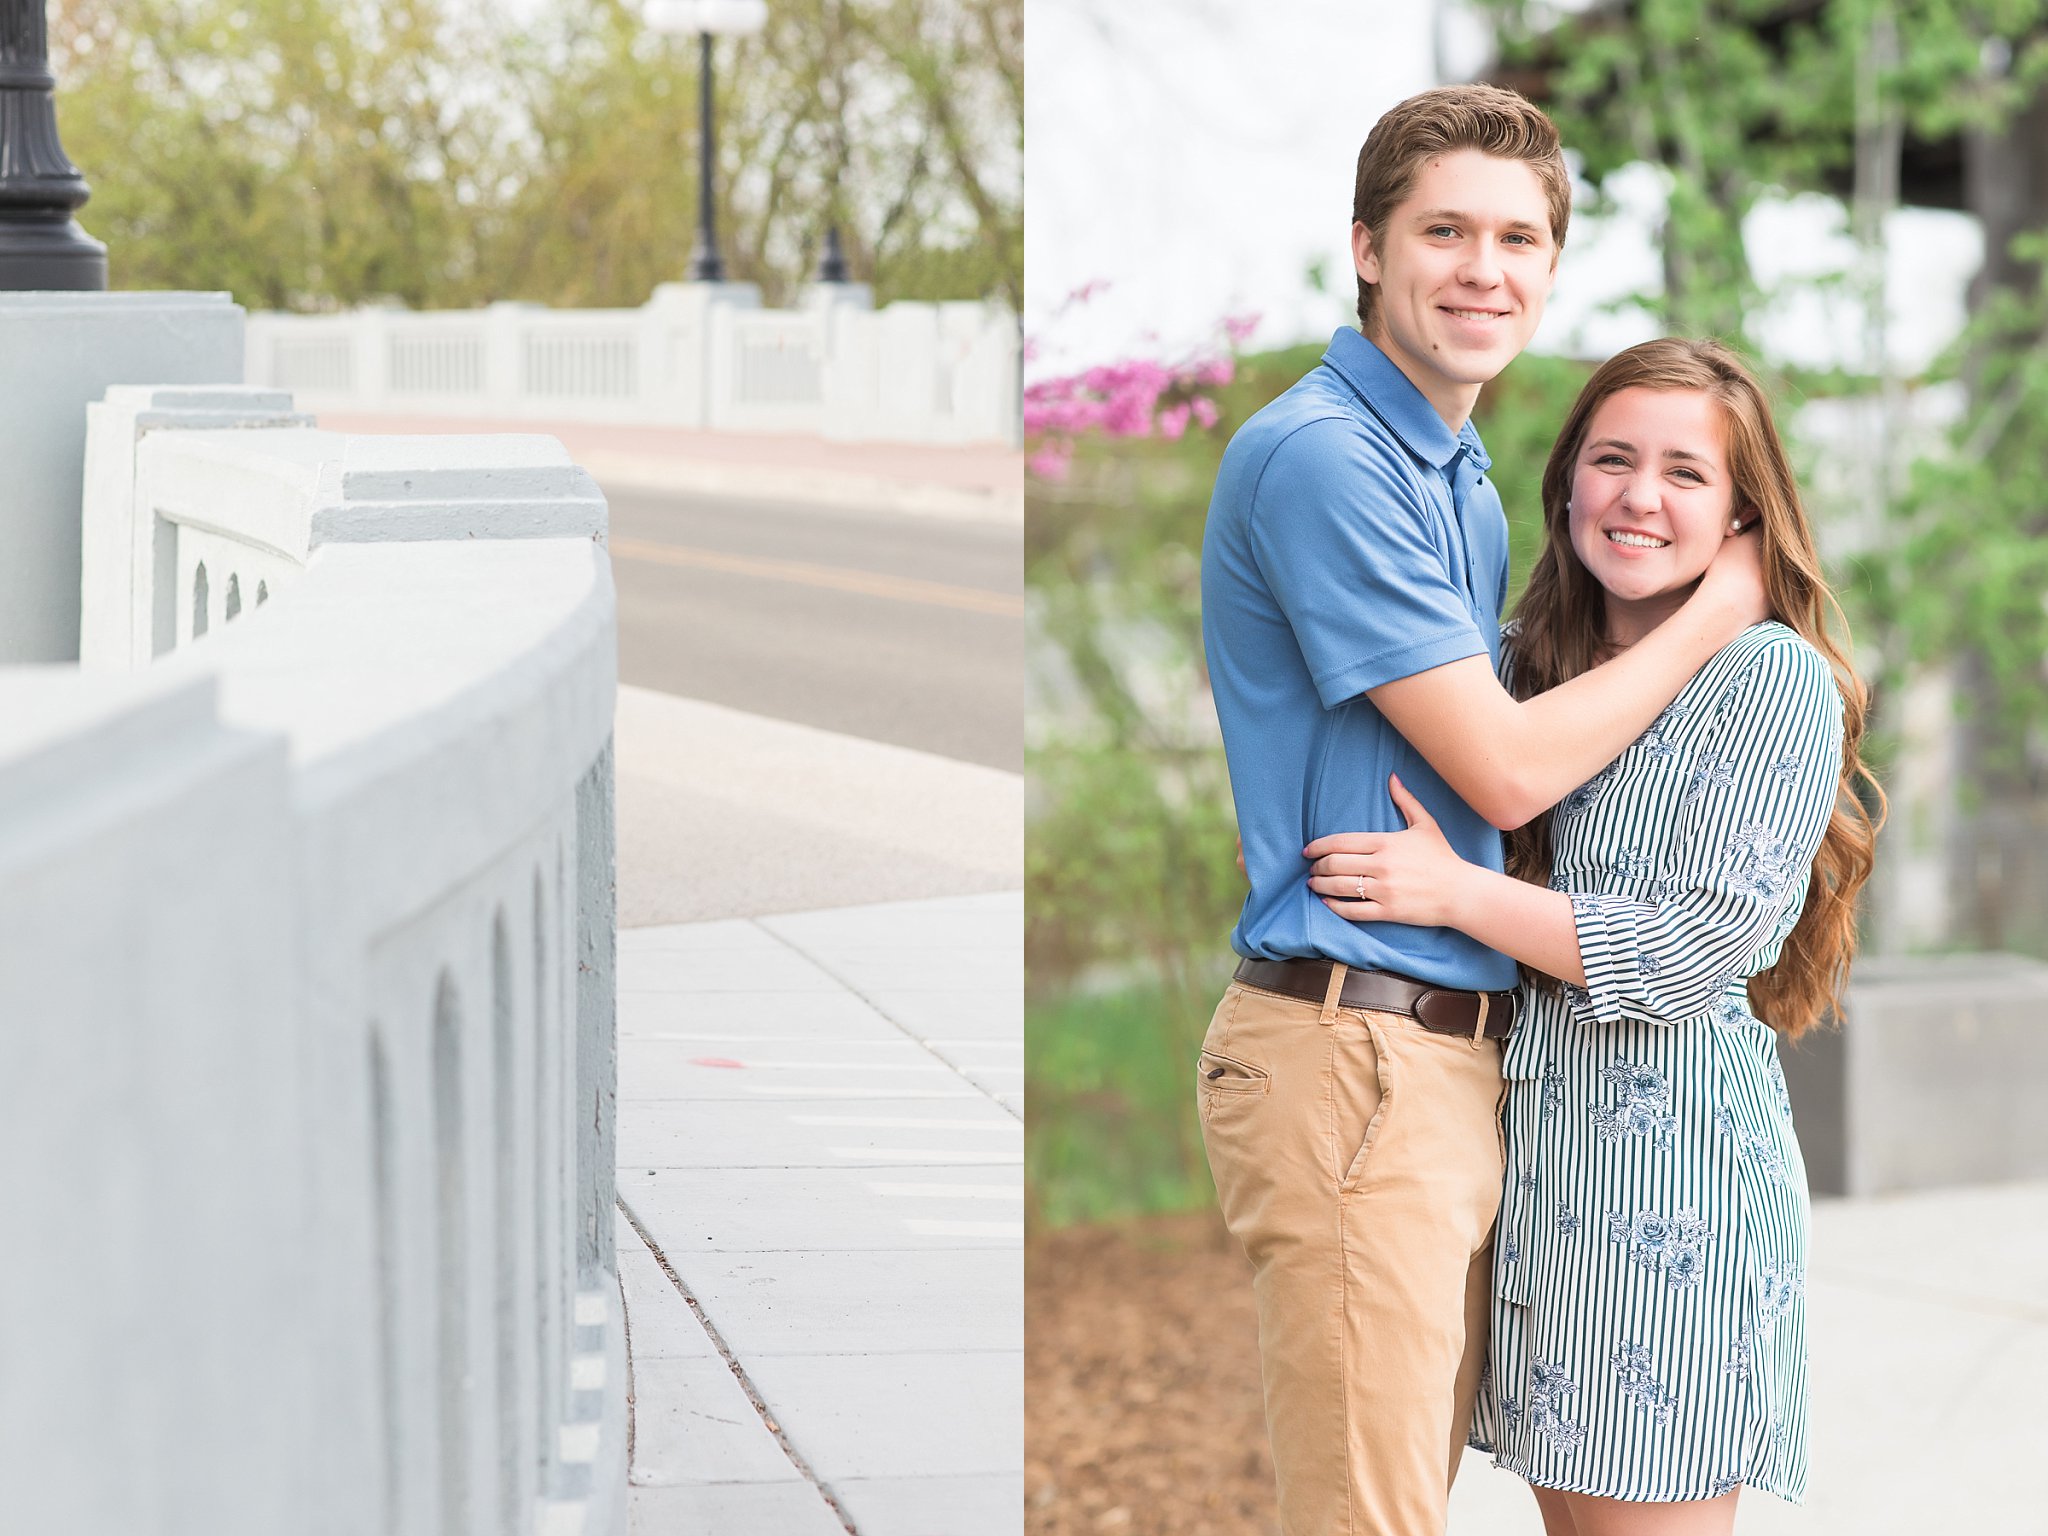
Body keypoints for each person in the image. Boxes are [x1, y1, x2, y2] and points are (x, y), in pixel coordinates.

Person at [1198, 85, 1770, 1536]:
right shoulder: (1328, 456)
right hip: (1352, 1049)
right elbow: (1508, 771)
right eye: (1444, 230)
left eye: (1519, 237)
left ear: (1554, 268)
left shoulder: (1459, 480)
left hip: (1446, 1061)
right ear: (1368, 249)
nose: (1483, 269)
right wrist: (1717, 617)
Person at [1302, 337, 1881, 1534]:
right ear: (1565, 483)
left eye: (1684, 473)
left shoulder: (1769, 681)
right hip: (1532, 1180)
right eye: (1611, 460)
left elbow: (1686, 951)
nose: (1638, 496)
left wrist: (1457, 894)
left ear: (1738, 515)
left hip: (1668, 1187)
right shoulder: (1523, 669)